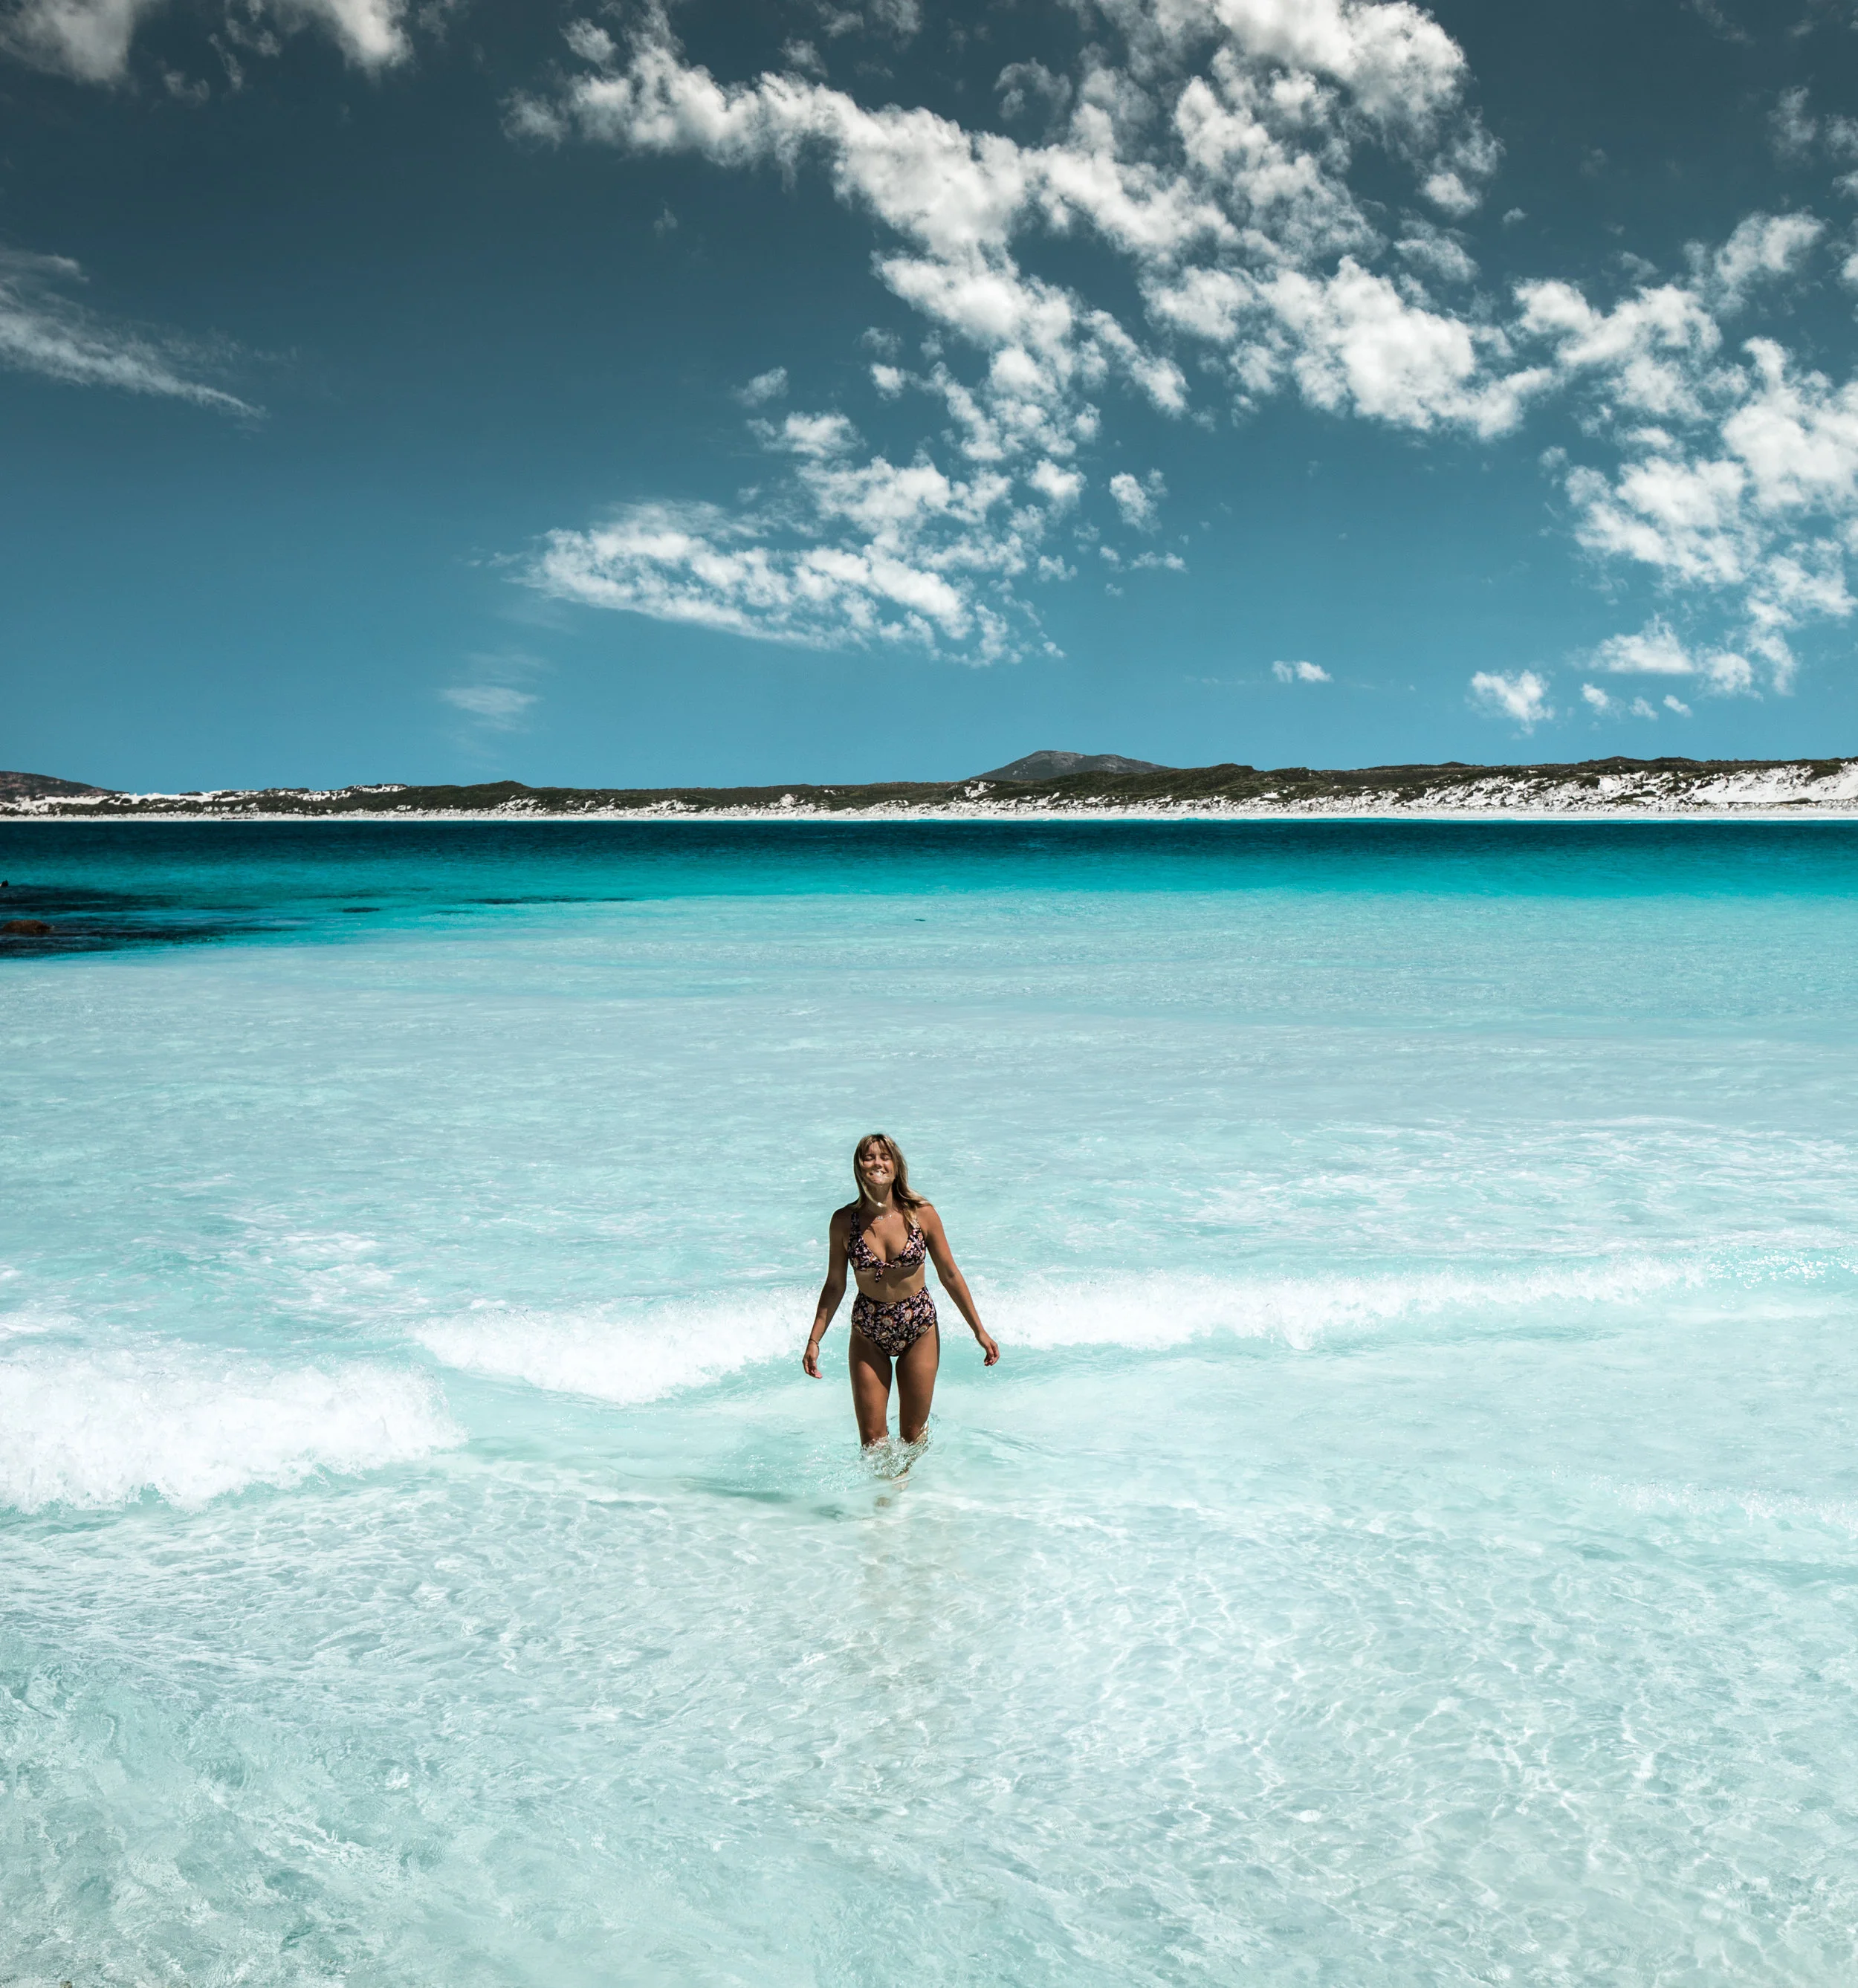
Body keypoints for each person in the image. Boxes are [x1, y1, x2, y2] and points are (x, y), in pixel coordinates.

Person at [803, 1133, 999, 1448]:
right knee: (872, 1440)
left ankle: (908, 1490)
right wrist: (815, 1339)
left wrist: (980, 1331)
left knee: (913, 1434)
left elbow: (950, 1274)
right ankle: (883, 1497)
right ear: (858, 1166)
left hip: (918, 1325)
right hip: (869, 1328)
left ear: (896, 1166)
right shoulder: (843, 1221)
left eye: (884, 1157)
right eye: (869, 1157)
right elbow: (835, 1284)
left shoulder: (921, 1213)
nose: (877, 1163)